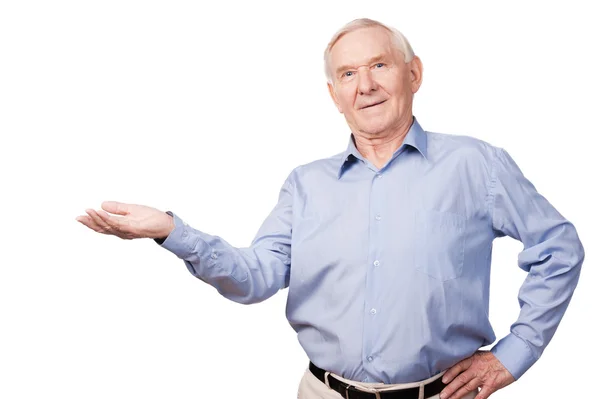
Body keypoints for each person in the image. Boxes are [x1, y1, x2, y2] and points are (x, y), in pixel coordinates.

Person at [75, 18, 584, 399]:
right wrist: (171, 230)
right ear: (334, 94)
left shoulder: (475, 164)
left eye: (379, 66)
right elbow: (254, 278)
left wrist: (514, 355)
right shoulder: (305, 185)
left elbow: (558, 246)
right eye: (348, 74)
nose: (365, 85)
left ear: (414, 73)